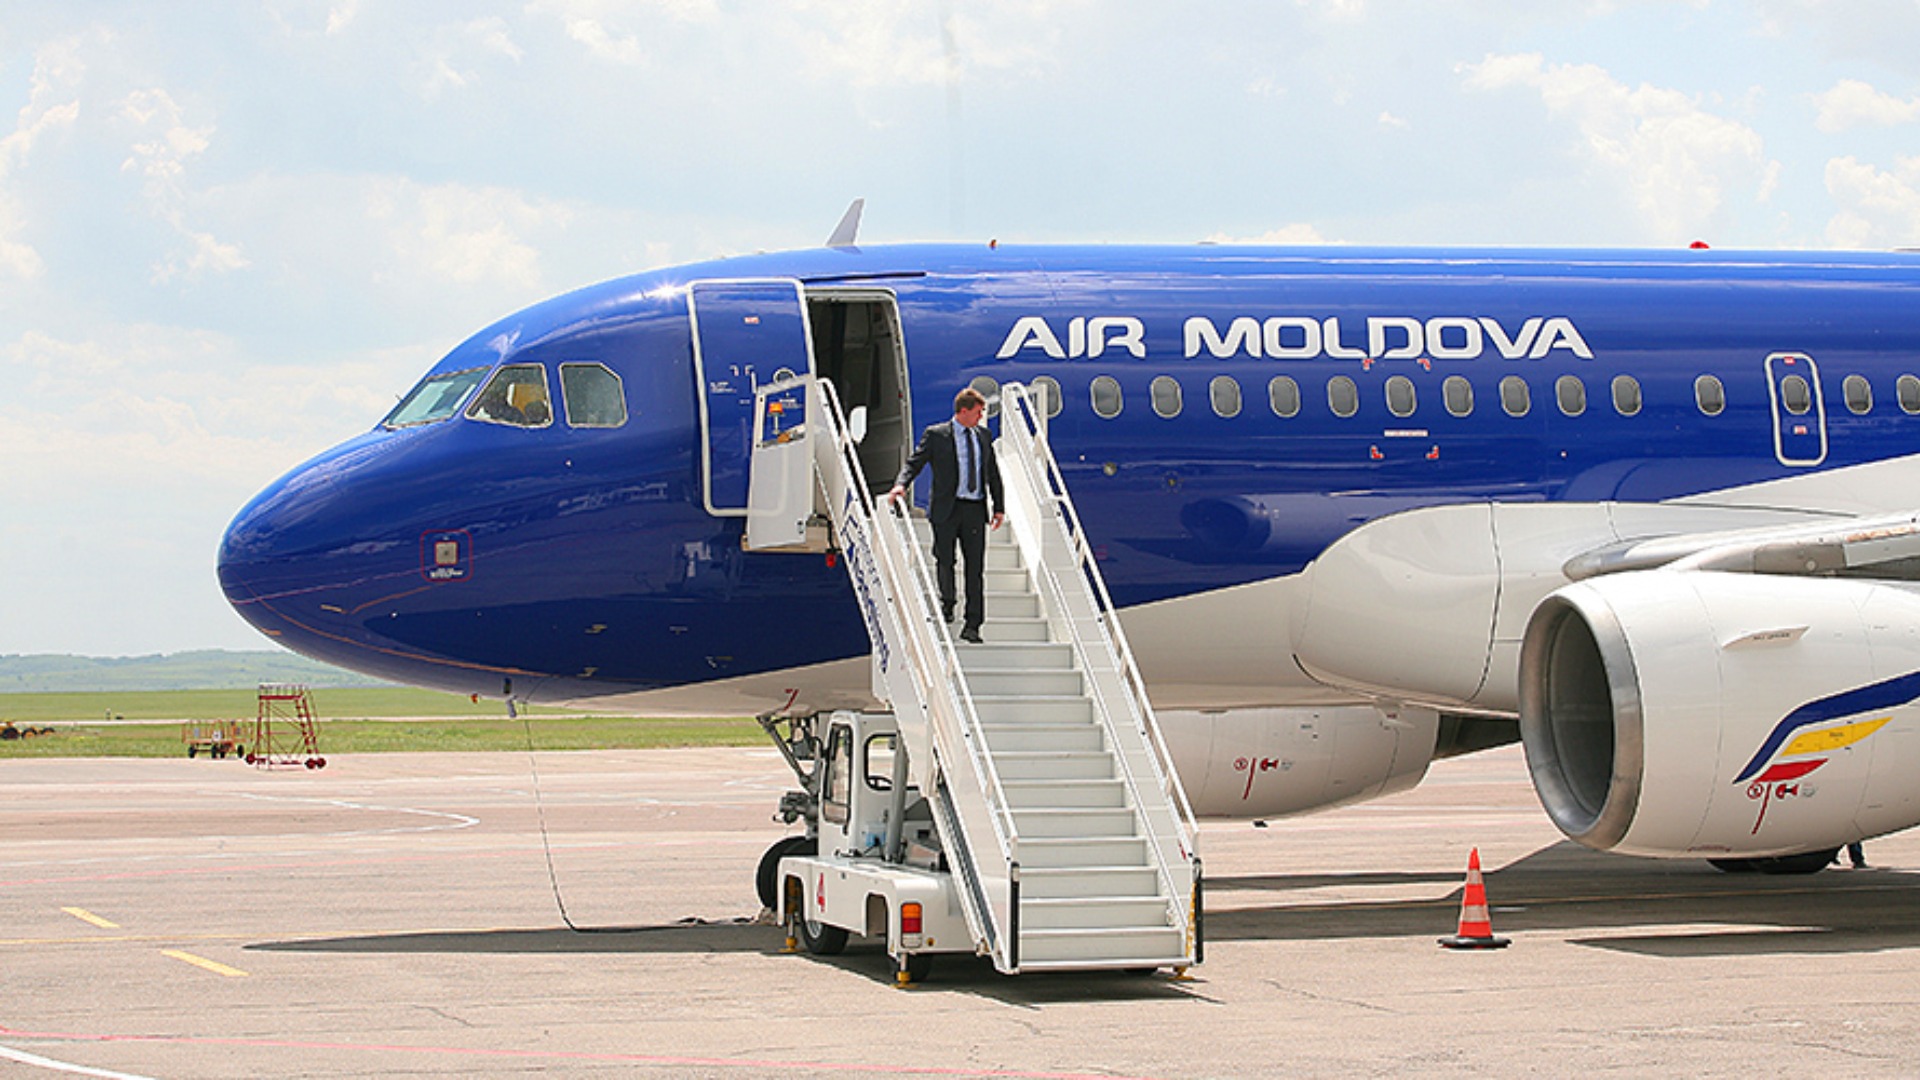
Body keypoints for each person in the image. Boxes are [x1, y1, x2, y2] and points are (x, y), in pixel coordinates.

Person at [888, 387, 1004, 643]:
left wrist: (999, 507)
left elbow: (992, 473)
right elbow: (914, 463)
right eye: (978, 412)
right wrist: (901, 485)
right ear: (963, 412)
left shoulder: (983, 435)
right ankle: (948, 603)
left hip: (974, 508)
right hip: (947, 508)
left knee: (975, 567)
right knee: (945, 559)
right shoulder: (937, 435)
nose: (981, 416)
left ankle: (973, 624)